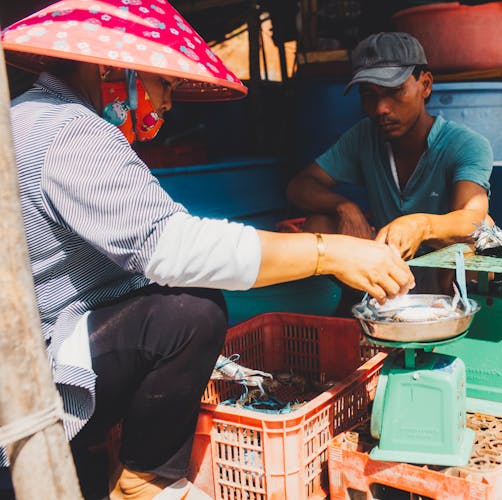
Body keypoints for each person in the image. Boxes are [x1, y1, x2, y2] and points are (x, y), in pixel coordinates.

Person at [1, 2, 414, 499]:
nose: (168, 104)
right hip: (32, 379)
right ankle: (142, 480)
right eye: (166, 85)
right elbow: (169, 247)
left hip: (38, 348)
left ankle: (109, 457)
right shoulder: (69, 130)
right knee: (189, 311)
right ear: (116, 69)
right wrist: (330, 253)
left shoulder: (38, 114)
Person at [286, 32, 493, 273]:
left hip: (444, 273)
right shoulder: (365, 136)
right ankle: (348, 306)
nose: (380, 108)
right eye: (368, 96)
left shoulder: (464, 144)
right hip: (387, 265)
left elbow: (473, 218)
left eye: (394, 91)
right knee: (319, 223)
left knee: (478, 237)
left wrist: (421, 225)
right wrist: (343, 206)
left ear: (425, 85)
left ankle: (460, 309)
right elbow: (300, 185)